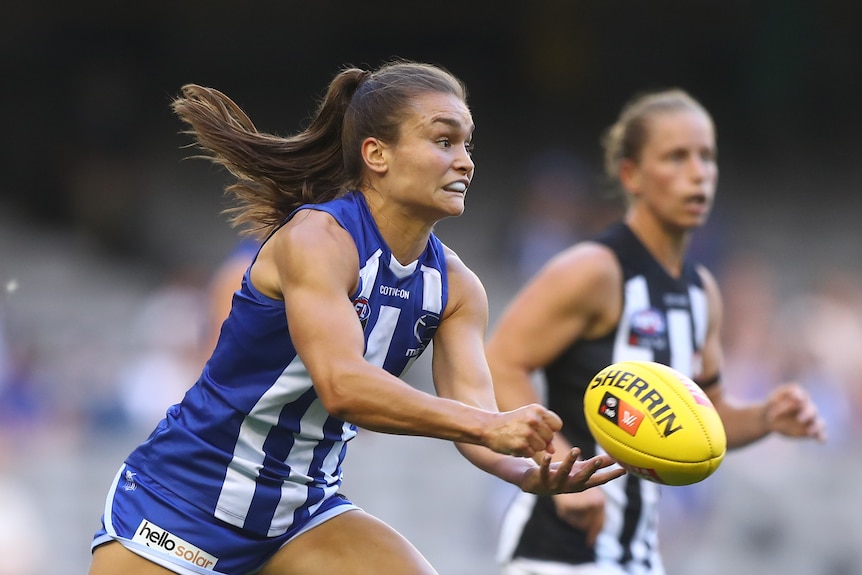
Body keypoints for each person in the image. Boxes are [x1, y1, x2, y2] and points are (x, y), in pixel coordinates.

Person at [87, 60, 624, 575]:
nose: (465, 161)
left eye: (467, 144)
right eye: (443, 140)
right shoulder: (317, 240)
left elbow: (473, 415)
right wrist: (489, 426)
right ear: (376, 154)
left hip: (301, 513)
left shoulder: (458, 288)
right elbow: (343, 386)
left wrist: (528, 471)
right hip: (183, 500)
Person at [486, 88, 827, 575]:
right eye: (677, 157)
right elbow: (499, 363)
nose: (698, 173)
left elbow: (703, 423)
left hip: (640, 558)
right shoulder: (594, 270)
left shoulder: (701, 291)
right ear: (631, 175)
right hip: (559, 555)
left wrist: (767, 417)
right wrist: (556, 466)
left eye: (707, 157)